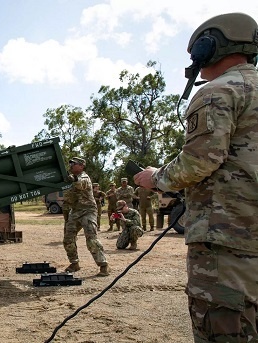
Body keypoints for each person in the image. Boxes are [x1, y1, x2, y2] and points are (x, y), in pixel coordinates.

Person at [134, 12, 258, 342]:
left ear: (208, 47)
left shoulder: (219, 91)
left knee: (224, 326)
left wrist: (155, 177)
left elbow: (199, 162)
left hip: (228, 242)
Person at [62, 157, 109, 277]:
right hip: (75, 211)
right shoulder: (71, 179)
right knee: (68, 239)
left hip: (88, 211)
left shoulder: (84, 177)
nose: (71, 165)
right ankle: (74, 263)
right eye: (70, 163)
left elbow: (80, 183)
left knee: (91, 239)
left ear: (82, 166)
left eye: (74, 163)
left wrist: (73, 179)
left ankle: (103, 265)